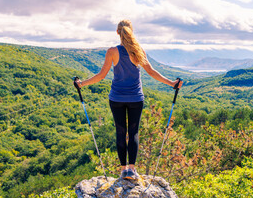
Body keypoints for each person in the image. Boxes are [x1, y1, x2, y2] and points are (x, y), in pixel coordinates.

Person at [75, 19, 183, 180]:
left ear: (118, 33)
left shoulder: (112, 51)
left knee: (120, 132)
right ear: (131, 32)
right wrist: (171, 83)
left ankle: (123, 170)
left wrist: (81, 84)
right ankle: (131, 170)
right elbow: (152, 72)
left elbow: (101, 75)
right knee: (133, 133)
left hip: (116, 98)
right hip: (136, 99)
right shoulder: (139, 51)